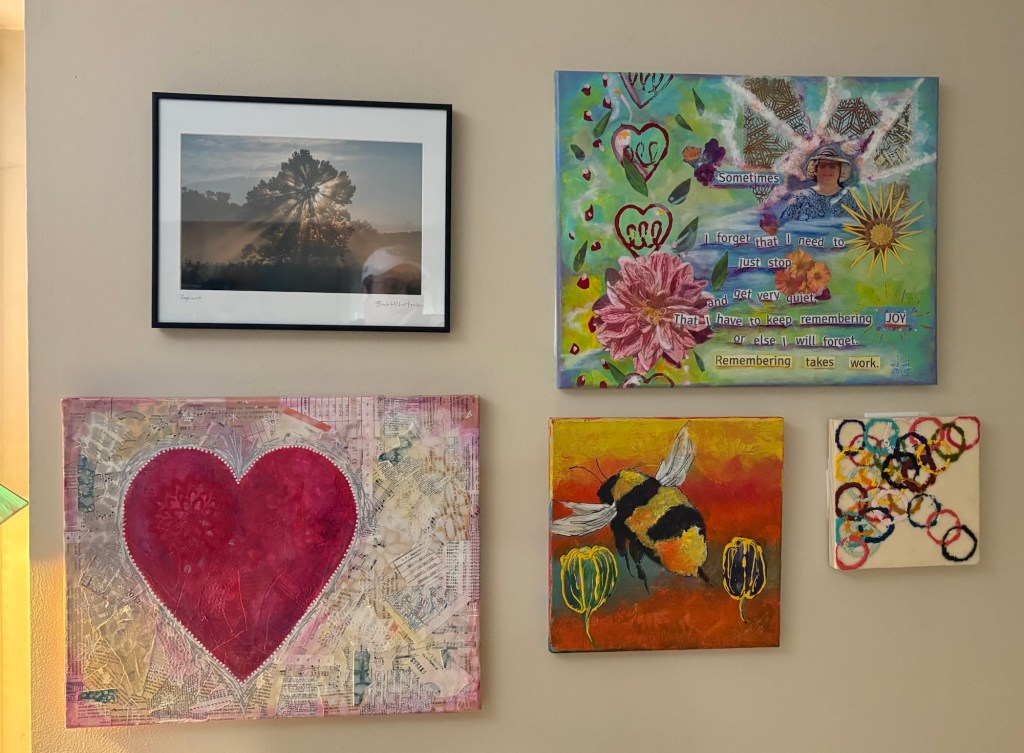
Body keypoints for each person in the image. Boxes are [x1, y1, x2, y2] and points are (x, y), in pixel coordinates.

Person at [781, 145, 857, 221]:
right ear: (815, 170)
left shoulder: (848, 197)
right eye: (823, 166)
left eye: (832, 166)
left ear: (840, 171)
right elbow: (784, 224)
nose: (827, 170)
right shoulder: (801, 198)